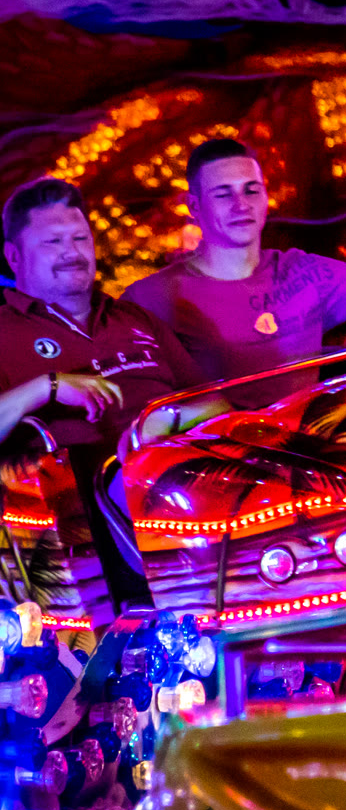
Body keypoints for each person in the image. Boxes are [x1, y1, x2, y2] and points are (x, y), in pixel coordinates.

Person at [0, 177, 220, 607]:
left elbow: (217, 404)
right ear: (14, 256)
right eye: (53, 242)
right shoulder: (3, 332)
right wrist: (47, 387)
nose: (71, 252)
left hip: (191, 491)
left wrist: (164, 420)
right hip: (83, 535)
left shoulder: (134, 319)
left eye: (80, 238)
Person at [124, 136, 346, 412]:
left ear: (266, 197)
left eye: (251, 190)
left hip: (308, 446)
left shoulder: (304, 270)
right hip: (216, 452)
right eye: (223, 194)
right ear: (195, 207)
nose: (241, 205)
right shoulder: (153, 295)